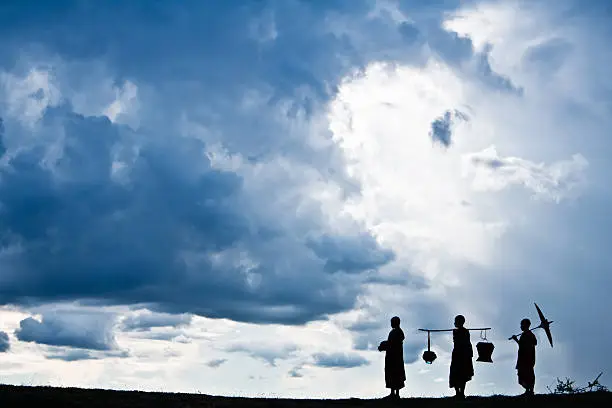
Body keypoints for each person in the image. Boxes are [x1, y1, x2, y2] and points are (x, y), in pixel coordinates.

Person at [378, 316, 406, 399]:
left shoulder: (396, 332)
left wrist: (383, 345)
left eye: (392, 322)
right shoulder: (396, 332)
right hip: (394, 357)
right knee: (393, 374)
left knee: (394, 374)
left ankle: (395, 393)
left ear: (396, 323)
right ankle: (393, 393)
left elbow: (392, 344)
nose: (391, 324)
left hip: (394, 358)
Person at [449, 315, 473, 399]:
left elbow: (459, 342)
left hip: (461, 355)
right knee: (457, 374)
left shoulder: (464, 332)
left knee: (462, 374)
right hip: (460, 355)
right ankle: (458, 393)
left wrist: (455, 332)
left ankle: (461, 393)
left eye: (456, 321)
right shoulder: (462, 331)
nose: (454, 322)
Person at [511, 318, 537, 396]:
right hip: (525, 358)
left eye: (522, 325)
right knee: (526, 374)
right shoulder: (527, 334)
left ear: (526, 325)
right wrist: (516, 340)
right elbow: (523, 345)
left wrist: (516, 340)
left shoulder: (529, 335)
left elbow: (524, 346)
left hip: (526, 359)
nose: (520, 327)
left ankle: (530, 391)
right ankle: (528, 391)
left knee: (526, 374)